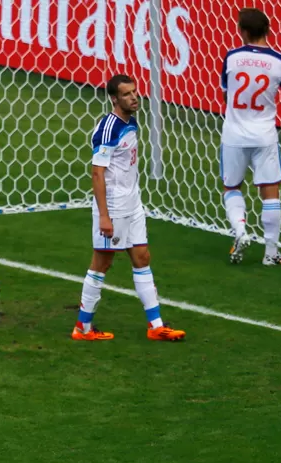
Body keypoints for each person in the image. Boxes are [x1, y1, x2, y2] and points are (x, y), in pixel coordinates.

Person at [72, 75, 186, 342]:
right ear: (114, 98)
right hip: (113, 206)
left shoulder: (131, 121)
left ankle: (156, 325)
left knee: (142, 258)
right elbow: (97, 173)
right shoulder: (108, 129)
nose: (134, 97)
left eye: (135, 92)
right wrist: (104, 216)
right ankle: (82, 327)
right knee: (102, 263)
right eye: (127, 94)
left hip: (133, 203)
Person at [221, 7, 281, 265]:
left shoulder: (232, 57)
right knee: (270, 191)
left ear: (243, 32)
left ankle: (240, 232)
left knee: (232, 187)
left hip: (234, 134)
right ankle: (271, 253)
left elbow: (226, 94)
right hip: (264, 136)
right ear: (268, 30)